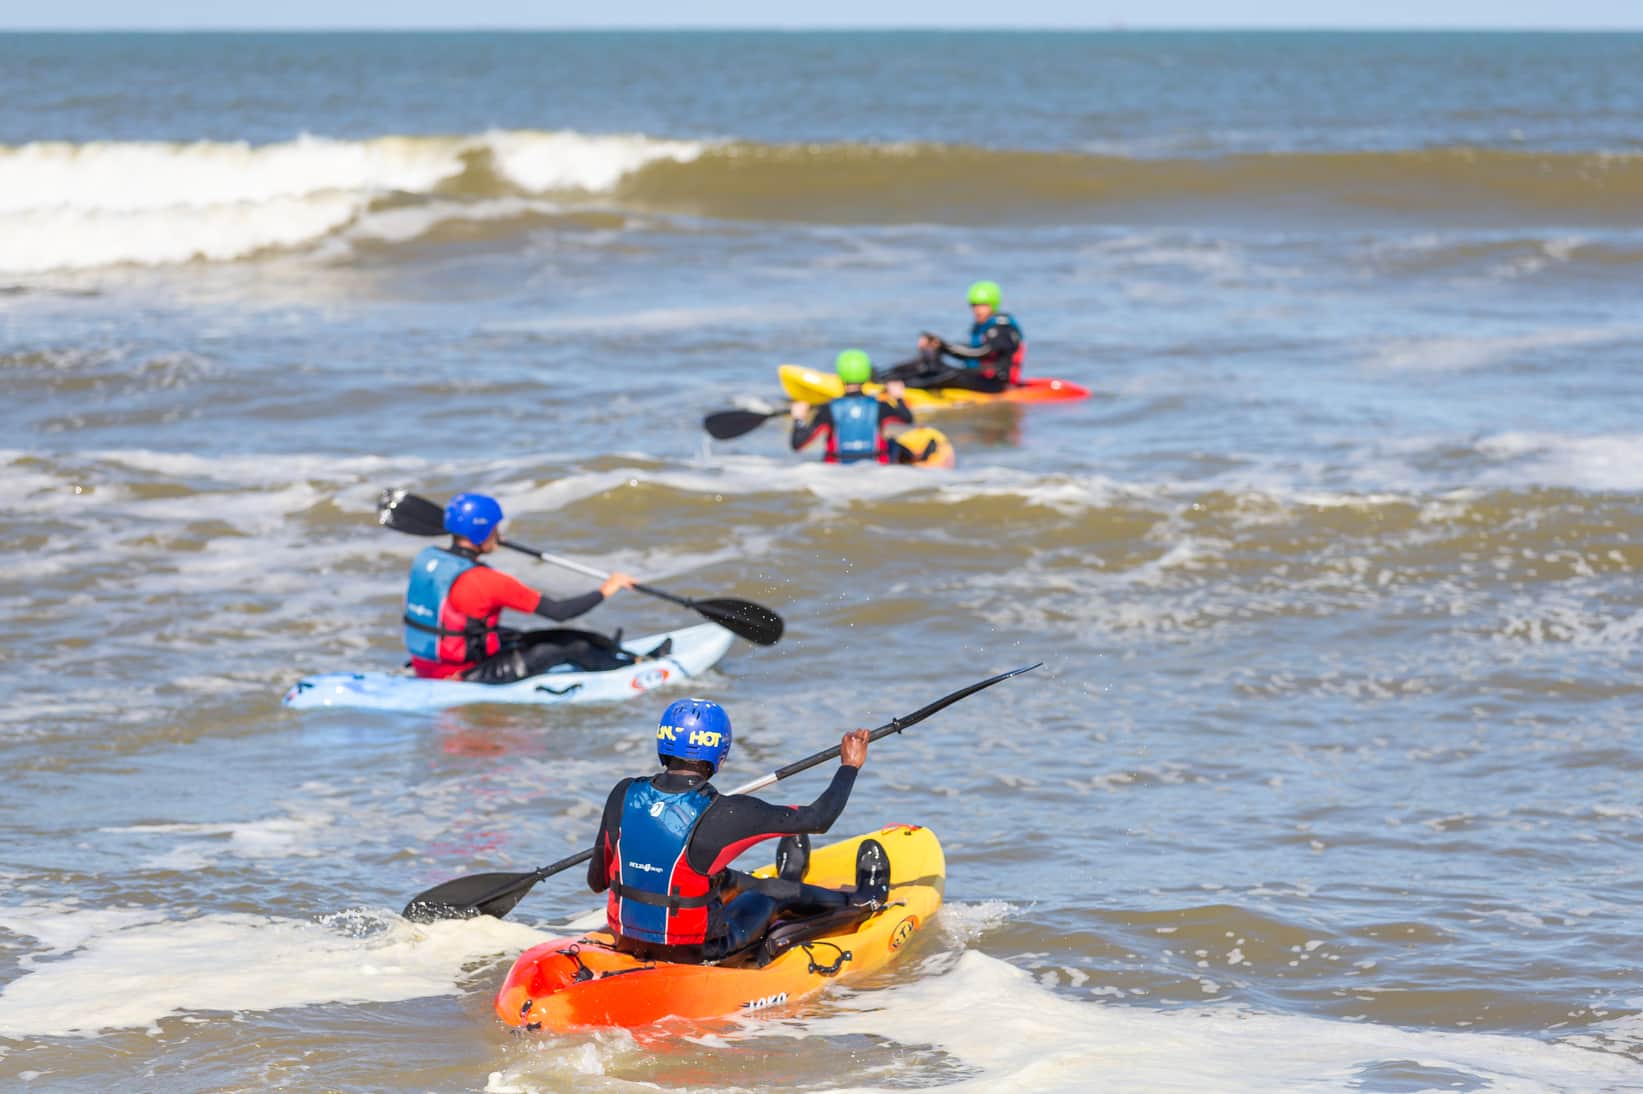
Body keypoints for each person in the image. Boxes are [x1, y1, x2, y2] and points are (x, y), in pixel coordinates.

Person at [587, 698, 890, 965]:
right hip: (696, 951)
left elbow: (597, 881)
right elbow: (819, 818)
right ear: (721, 751)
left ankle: (790, 877)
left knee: (724, 877)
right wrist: (849, 765)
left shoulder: (624, 792)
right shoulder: (728, 812)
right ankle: (865, 899)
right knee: (769, 895)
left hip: (627, 940)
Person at [402, 492, 638, 682]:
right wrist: (608, 588)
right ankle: (628, 670)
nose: (500, 534)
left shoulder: (428, 559)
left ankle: (616, 652)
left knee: (540, 636)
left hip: (427, 663)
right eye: (495, 528)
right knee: (568, 646)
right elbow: (560, 612)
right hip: (466, 673)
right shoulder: (487, 580)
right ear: (484, 531)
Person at [879, 280, 1026, 393]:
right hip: (979, 377)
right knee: (928, 364)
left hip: (996, 384)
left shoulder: (1002, 329)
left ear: (992, 304)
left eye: (982, 305)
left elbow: (980, 353)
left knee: (949, 375)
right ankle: (884, 377)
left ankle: (902, 388)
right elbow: (969, 353)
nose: (977, 310)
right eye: (974, 305)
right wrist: (938, 346)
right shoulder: (981, 327)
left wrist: (944, 346)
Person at [790, 349, 913, 464]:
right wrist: (898, 398)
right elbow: (907, 419)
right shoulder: (881, 406)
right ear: (866, 373)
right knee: (893, 443)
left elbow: (798, 444)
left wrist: (798, 419)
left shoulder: (828, 409)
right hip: (873, 467)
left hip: (839, 468)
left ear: (840, 375)